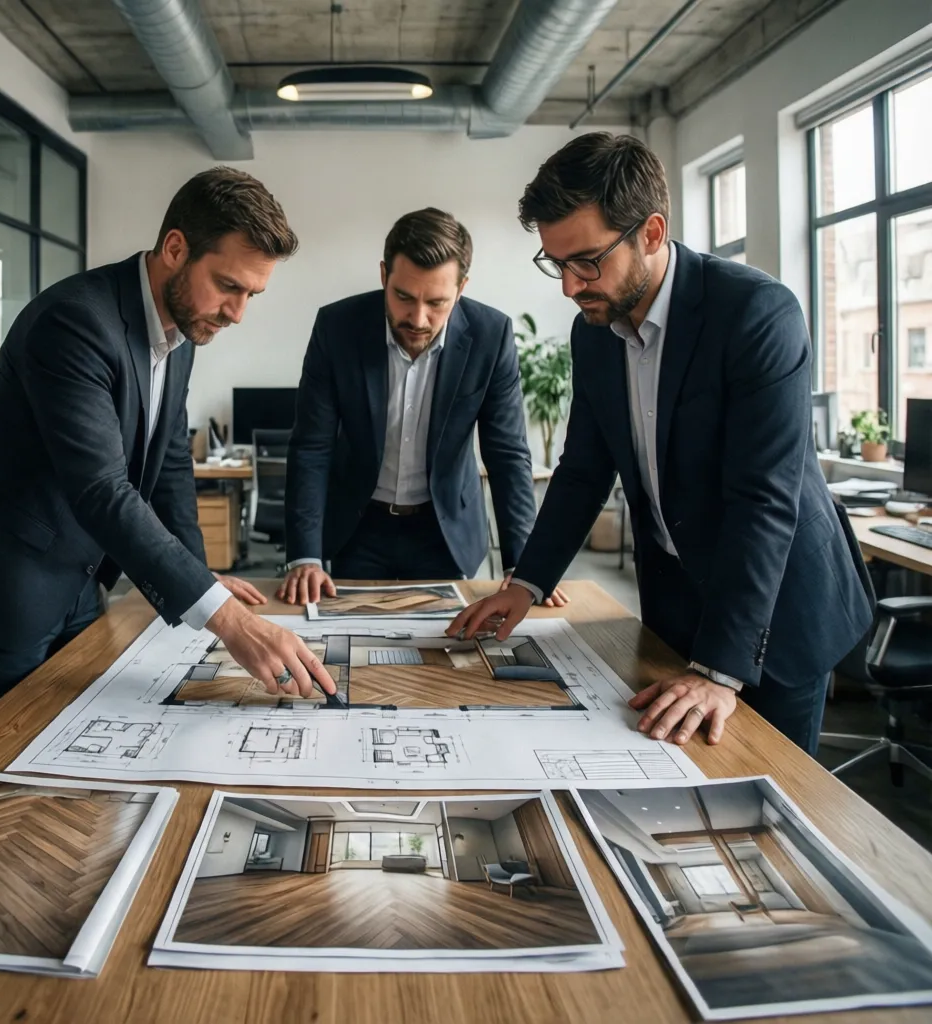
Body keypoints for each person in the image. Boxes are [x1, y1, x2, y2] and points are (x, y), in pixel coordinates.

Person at [449, 133, 871, 755]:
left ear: (650, 232)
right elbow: (583, 470)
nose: (569, 286)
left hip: (776, 609)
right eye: (556, 263)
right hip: (677, 606)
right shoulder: (594, 331)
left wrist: (720, 671)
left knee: (771, 796)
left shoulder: (757, 314)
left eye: (586, 261)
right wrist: (526, 583)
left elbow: (763, 499)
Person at [0, 166, 335, 726]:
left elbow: (169, 465)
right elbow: (100, 487)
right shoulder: (76, 322)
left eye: (252, 294)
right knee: (6, 754)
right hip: (2, 575)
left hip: (81, 570)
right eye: (229, 286)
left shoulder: (183, 329)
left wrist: (198, 573)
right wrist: (226, 618)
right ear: (176, 247)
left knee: (78, 737)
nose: (237, 313)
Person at [278, 207, 567, 607]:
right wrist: (305, 556)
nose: (418, 318)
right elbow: (312, 446)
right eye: (403, 297)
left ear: (461, 288)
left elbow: (507, 454)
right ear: (384, 276)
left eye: (437, 302)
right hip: (359, 525)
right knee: (352, 647)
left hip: (443, 528)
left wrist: (524, 565)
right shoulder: (338, 327)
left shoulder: (491, 335)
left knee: (448, 653)